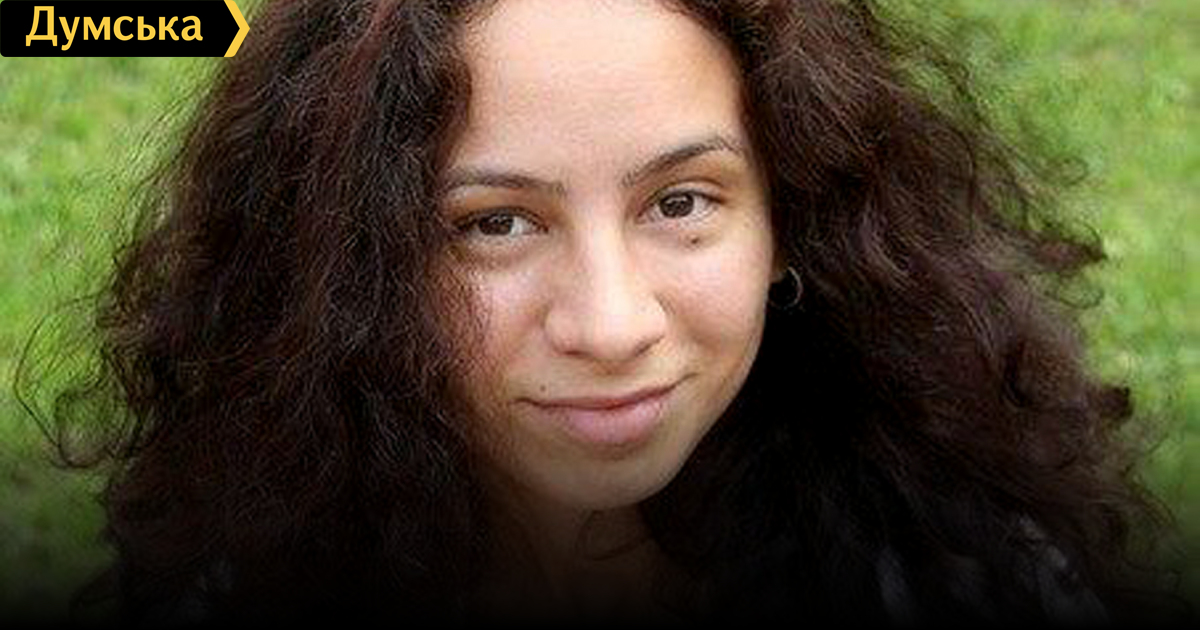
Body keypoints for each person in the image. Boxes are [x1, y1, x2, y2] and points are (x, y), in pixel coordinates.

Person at [22, 0, 1192, 624]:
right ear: (348, 269)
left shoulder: (962, 571)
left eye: (681, 203)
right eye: (495, 223)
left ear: (796, 217)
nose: (613, 324)